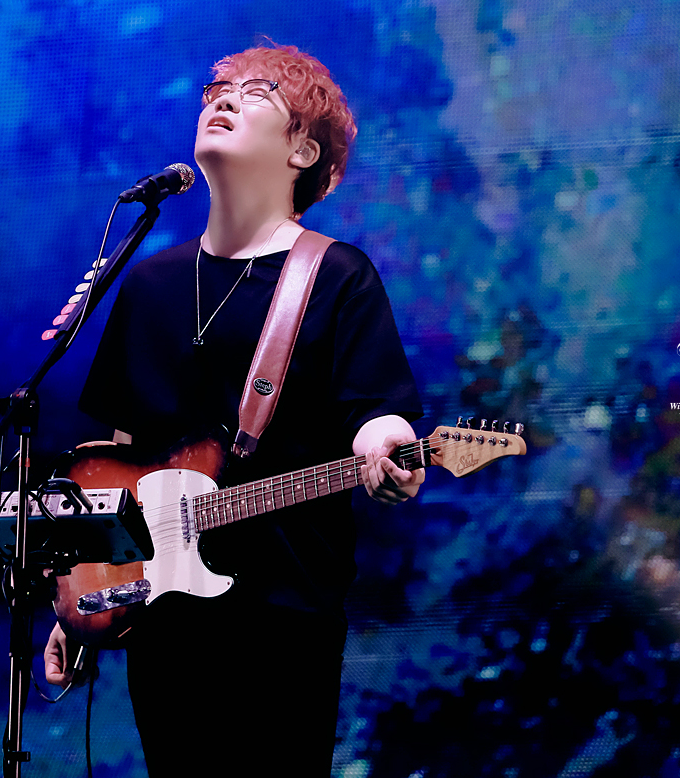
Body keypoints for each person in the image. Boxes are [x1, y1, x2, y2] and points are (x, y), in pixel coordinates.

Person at [44, 43, 425, 776]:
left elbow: (378, 410)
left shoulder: (336, 274)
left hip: (284, 609)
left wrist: (389, 443)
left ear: (302, 151)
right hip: (163, 614)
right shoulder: (149, 283)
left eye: (257, 92)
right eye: (216, 88)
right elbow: (122, 458)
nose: (222, 97)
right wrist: (86, 596)